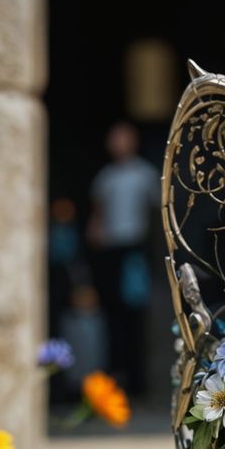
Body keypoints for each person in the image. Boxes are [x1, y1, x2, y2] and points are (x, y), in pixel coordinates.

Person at [87, 122, 158, 398]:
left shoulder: (145, 174)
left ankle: (138, 382)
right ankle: (114, 378)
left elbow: (156, 212)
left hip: (135, 252)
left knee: (135, 314)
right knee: (112, 314)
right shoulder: (106, 176)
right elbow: (98, 212)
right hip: (111, 251)